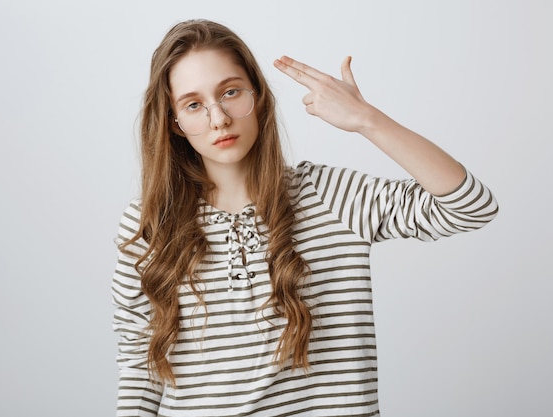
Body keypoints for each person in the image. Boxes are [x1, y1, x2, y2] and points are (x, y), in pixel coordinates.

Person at [111, 19, 498, 417]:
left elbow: (470, 206)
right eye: (194, 105)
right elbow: (140, 367)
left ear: (259, 96)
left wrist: (368, 120)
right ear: (174, 123)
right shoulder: (149, 224)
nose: (219, 118)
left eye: (230, 92)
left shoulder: (327, 197)